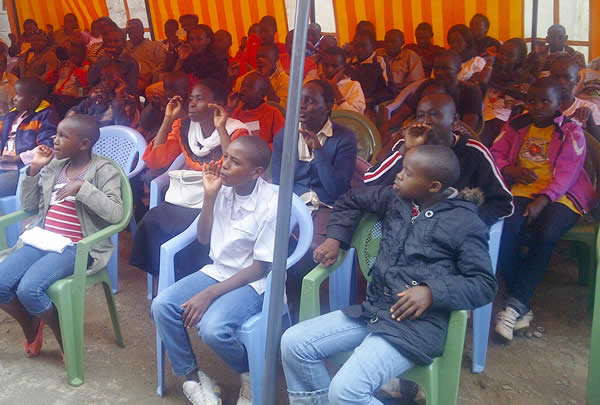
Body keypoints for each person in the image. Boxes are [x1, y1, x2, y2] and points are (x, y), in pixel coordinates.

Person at [281, 144, 497, 405]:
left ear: (433, 186)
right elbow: (350, 200)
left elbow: (484, 284)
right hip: (373, 311)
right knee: (294, 344)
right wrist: (336, 238)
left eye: (407, 172)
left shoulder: (465, 223)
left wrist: (432, 291)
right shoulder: (397, 199)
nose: (398, 175)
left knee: (346, 391)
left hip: (415, 327)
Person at [151, 136, 275, 405]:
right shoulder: (222, 189)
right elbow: (204, 238)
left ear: (257, 172)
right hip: (219, 270)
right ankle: (193, 377)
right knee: (162, 305)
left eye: (235, 161)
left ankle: (251, 372)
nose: (224, 165)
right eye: (226, 156)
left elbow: (261, 267)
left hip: (254, 281)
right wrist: (209, 196)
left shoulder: (272, 204)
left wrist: (209, 293)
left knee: (213, 329)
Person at [0, 114, 123, 359]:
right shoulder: (55, 166)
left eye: (63, 137)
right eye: (56, 134)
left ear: (84, 144)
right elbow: (31, 205)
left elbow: (117, 213)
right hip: (44, 240)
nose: (55, 140)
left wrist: (82, 188)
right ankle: (31, 325)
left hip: (77, 247)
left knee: (29, 290)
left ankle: (63, 333)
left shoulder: (103, 171)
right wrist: (34, 169)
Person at [491, 77, 596, 341]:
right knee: (506, 229)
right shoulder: (515, 125)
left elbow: (569, 171)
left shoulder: (571, 130)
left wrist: (544, 199)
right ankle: (519, 303)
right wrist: (510, 169)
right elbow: (495, 152)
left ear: (559, 103)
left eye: (545, 101)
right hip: (522, 190)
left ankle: (513, 304)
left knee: (547, 232)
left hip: (563, 193)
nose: (537, 106)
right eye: (532, 100)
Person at [130, 80, 249, 291]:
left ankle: (187, 287)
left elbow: (236, 168)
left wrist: (221, 128)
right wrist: (168, 118)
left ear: (217, 104)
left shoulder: (237, 132)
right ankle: (164, 284)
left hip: (219, 199)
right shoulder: (184, 127)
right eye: (191, 99)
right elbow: (157, 161)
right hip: (187, 196)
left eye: (200, 99)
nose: (192, 104)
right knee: (154, 219)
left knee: (189, 230)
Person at [271, 79, 358, 318]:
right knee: (273, 247)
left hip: (328, 207)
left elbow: (336, 190)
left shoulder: (343, 138)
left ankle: (299, 315)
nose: (301, 106)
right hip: (295, 207)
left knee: (305, 257)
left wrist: (318, 151)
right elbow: (279, 185)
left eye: (309, 101)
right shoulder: (284, 136)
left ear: (327, 106)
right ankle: (279, 309)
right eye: (299, 99)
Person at [366, 93, 513, 226]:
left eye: (435, 114)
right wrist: (405, 150)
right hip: (403, 230)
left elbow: (503, 204)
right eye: (420, 115)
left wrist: (464, 222)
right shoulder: (407, 146)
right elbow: (371, 183)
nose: (426, 121)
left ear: (454, 119)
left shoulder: (475, 153)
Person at [381, 50, 483, 144]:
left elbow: (469, 128)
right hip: (420, 134)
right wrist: (385, 128)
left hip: (452, 140)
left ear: (458, 69)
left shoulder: (470, 91)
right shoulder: (428, 86)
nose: (439, 72)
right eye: (436, 68)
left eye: (445, 68)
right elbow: (403, 113)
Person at [0, 78, 58, 197]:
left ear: (33, 100)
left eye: (18, 95)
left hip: (21, 170)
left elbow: (47, 148)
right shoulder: (13, 115)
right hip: (3, 165)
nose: (14, 98)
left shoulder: (46, 116)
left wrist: (18, 158)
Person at [480, 38, 533, 146]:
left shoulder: (525, 78)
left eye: (509, 55)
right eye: (502, 52)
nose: (503, 57)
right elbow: (481, 83)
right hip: (486, 118)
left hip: (508, 121)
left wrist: (522, 102)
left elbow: (529, 97)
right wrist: (490, 60)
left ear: (518, 59)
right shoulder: (490, 71)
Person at [68, 63, 138, 128]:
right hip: (87, 134)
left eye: (109, 78)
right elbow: (77, 109)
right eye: (103, 79)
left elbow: (122, 126)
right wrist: (67, 122)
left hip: (107, 137)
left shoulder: (128, 102)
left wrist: (118, 98)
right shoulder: (98, 95)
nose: (105, 83)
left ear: (120, 80)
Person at [550, 56, 600, 141]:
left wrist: (590, 120)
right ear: (550, 79)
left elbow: (598, 142)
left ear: (577, 80)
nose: (561, 81)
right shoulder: (544, 107)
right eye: (556, 77)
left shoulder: (589, 107)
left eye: (566, 77)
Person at [229, 72, 285, 148]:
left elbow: (282, 142)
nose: (243, 89)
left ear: (262, 95)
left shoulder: (273, 113)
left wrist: (260, 150)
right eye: (243, 85)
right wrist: (229, 109)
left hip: (265, 156)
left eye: (250, 87)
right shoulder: (237, 113)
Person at [305, 46, 366, 114]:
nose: (329, 70)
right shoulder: (313, 80)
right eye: (325, 65)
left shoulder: (353, 86)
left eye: (334, 66)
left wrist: (334, 87)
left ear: (343, 67)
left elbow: (355, 117)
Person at [87, 23, 140, 94]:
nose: (112, 44)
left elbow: (131, 89)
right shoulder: (101, 59)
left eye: (116, 41)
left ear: (124, 43)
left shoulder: (131, 62)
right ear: (105, 44)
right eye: (109, 41)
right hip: (98, 97)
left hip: (118, 99)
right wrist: (103, 61)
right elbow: (90, 79)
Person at [232, 43, 290, 107]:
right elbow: (235, 104)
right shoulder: (245, 78)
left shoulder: (285, 81)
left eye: (264, 56)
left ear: (276, 58)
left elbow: (280, 108)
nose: (260, 59)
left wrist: (267, 81)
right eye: (258, 56)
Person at [346, 32, 392, 110]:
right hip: (350, 103)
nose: (359, 49)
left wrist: (370, 100)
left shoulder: (379, 62)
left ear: (372, 46)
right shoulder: (348, 63)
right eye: (356, 45)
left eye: (363, 46)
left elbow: (389, 90)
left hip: (371, 105)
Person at [46, 41, 89, 118]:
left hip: (71, 99)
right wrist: (56, 70)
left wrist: (76, 69)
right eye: (71, 55)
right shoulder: (65, 65)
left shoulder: (86, 67)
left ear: (83, 56)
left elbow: (85, 83)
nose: (72, 58)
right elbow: (50, 80)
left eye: (76, 56)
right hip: (56, 96)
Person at [376, 29, 425, 94]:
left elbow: (416, 82)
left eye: (393, 42)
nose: (389, 44)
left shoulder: (410, 56)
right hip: (379, 93)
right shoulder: (378, 53)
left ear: (402, 43)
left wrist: (395, 86)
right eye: (386, 41)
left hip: (402, 94)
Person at [125, 19, 167, 91]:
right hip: (129, 77)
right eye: (130, 31)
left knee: (133, 87)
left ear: (142, 31)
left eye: (135, 30)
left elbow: (163, 64)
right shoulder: (125, 46)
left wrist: (151, 74)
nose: (133, 33)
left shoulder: (155, 45)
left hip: (148, 78)